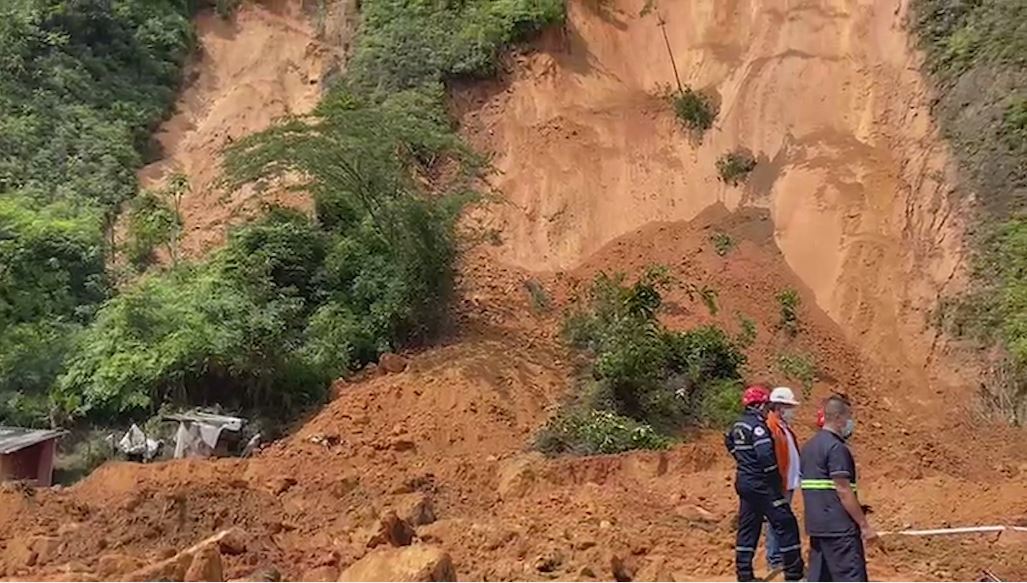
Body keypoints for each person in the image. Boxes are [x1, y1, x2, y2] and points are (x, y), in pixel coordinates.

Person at [725, 385, 805, 582]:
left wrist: (743, 460)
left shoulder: (738, 425)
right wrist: (774, 478)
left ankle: (744, 574)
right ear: (760, 404)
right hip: (761, 483)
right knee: (785, 522)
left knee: (749, 526)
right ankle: (793, 573)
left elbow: (729, 442)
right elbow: (765, 456)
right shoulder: (758, 427)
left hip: (745, 480)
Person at [800, 394, 877, 582]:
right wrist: (864, 525)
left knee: (820, 578)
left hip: (818, 527)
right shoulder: (836, 448)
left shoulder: (809, 447)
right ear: (838, 418)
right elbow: (843, 490)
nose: (849, 422)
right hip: (840, 529)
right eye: (848, 417)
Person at [763, 386, 802, 573]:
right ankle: (775, 558)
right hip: (780, 482)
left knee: (783, 519)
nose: (792, 411)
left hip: (788, 481)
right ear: (779, 407)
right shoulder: (771, 426)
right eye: (789, 407)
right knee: (776, 520)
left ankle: (781, 557)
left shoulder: (784, 428)